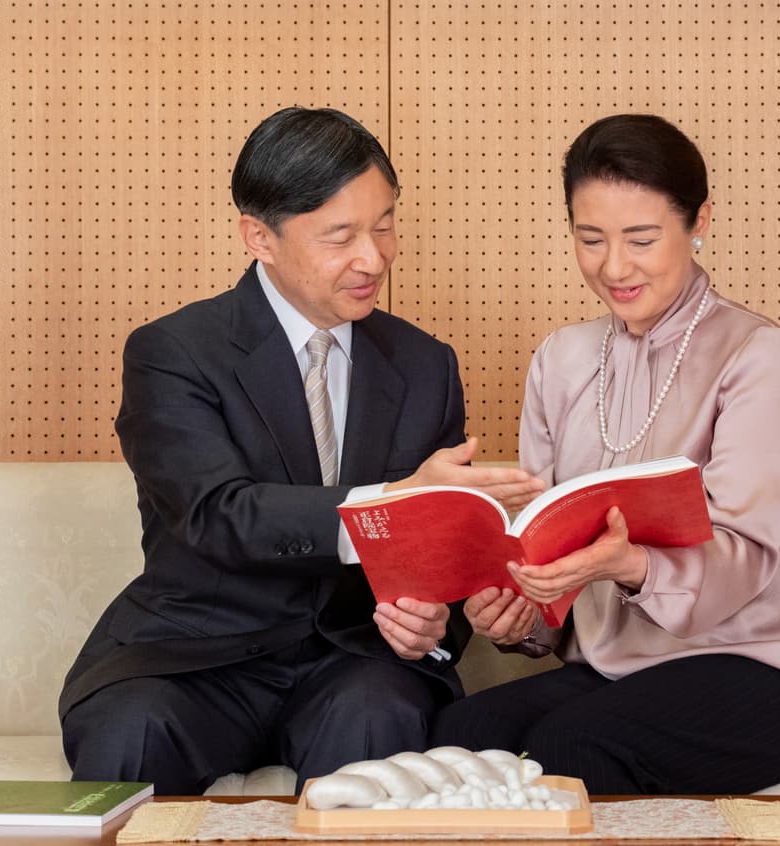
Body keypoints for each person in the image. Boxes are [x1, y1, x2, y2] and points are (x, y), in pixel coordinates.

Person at [59, 106, 542, 795]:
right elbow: (218, 513)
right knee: (130, 733)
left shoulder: (425, 364)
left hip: (355, 660)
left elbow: (440, 556)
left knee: (383, 723)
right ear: (260, 236)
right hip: (195, 657)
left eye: (384, 225)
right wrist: (396, 500)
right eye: (340, 235)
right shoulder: (174, 352)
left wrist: (430, 617)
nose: (374, 258)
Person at [432, 113, 780, 794]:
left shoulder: (754, 354)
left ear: (699, 221)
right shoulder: (561, 359)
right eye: (590, 238)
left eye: (642, 238)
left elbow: (743, 550)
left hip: (767, 667)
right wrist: (518, 614)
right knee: (458, 738)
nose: (614, 267)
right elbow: (540, 550)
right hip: (616, 670)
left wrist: (630, 565)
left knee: (568, 743)